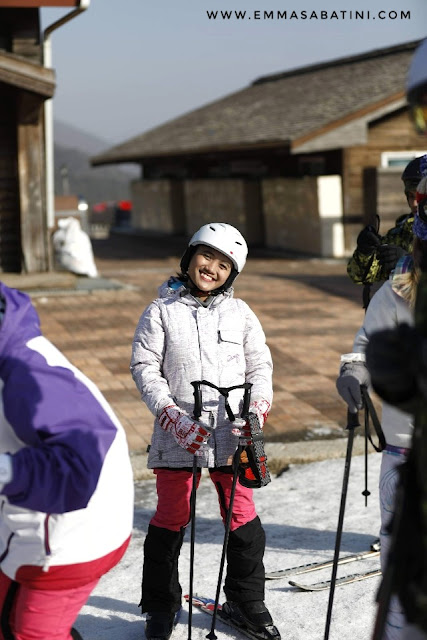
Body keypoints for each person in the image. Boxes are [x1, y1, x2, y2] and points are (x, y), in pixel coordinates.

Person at [130, 222, 277, 640]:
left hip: (234, 434)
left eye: (224, 264)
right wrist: (171, 415)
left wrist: (258, 410)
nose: (211, 267)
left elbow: (259, 366)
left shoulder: (241, 313)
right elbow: (145, 368)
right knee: (172, 516)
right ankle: (161, 605)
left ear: (232, 273)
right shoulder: (161, 310)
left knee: (242, 515)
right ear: (189, 256)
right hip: (178, 434)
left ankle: (247, 601)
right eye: (206, 256)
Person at [0, 282, 134, 640]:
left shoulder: (26, 373)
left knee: (31, 633)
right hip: (23, 523)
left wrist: (6, 470)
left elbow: (79, 463)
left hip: (74, 535)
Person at [336, 230, 422, 638]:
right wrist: (356, 371)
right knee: (403, 560)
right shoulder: (398, 288)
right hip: (406, 448)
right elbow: (367, 344)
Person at [346, 155, 427, 287]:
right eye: (410, 196)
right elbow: (360, 276)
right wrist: (365, 252)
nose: (414, 203)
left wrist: (407, 263)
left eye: (419, 196)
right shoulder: (401, 233)